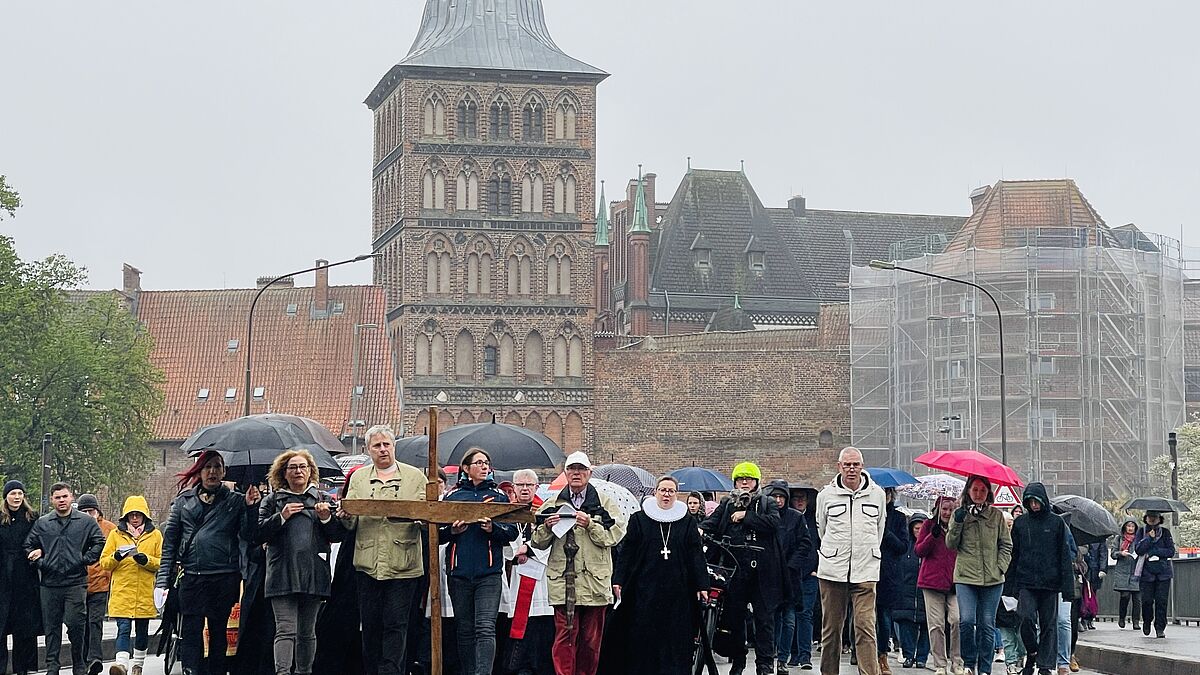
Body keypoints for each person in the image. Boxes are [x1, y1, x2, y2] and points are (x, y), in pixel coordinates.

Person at [155, 450, 262, 675]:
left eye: (217, 467)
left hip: (223, 575)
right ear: (200, 471)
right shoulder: (184, 501)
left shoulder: (234, 501)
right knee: (191, 630)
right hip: (192, 575)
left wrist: (252, 508)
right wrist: (162, 581)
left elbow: (250, 536)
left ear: (224, 472)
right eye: (207, 467)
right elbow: (170, 543)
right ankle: (190, 670)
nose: (212, 471)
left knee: (218, 631)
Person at [336, 425, 428, 675]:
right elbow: (351, 521)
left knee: (396, 625)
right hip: (368, 563)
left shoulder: (415, 477)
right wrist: (344, 516)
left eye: (386, 444)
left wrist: (421, 519)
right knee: (371, 626)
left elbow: (425, 516)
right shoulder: (358, 477)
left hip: (403, 564)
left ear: (394, 446)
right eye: (377, 446)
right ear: (369, 450)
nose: (383, 449)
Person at [529, 451, 627, 675]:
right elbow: (537, 541)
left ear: (589, 473)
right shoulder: (552, 503)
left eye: (581, 469)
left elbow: (614, 536)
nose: (576, 474)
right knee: (564, 637)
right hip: (564, 582)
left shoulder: (605, 503)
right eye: (572, 469)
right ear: (565, 473)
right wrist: (547, 528)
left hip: (595, 582)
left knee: (591, 641)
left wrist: (590, 524)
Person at [608, 476, 708, 675]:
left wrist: (702, 584)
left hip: (677, 590)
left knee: (674, 637)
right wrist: (618, 579)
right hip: (645, 589)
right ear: (655, 492)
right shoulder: (640, 519)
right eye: (663, 490)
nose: (666, 494)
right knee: (644, 635)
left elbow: (696, 554)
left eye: (671, 491)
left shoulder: (686, 521)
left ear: (676, 495)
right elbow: (627, 551)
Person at [258, 449, 345, 675]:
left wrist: (326, 518)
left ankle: (304, 671)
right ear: (283, 473)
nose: (298, 471)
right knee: (285, 629)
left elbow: (337, 535)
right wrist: (282, 517)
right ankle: (283, 672)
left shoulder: (322, 499)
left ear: (310, 472)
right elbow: (258, 534)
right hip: (281, 573)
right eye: (293, 467)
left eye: (303, 467)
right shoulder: (272, 500)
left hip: (313, 572)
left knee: (307, 631)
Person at [700, 462, 787, 675]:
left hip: (762, 570)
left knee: (764, 619)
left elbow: (773, 523)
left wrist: (746, 516)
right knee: (735, 619)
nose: (745, 482)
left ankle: (764, 664)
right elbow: (712, 523)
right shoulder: (727, 503)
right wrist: (698, 530)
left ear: (756, 482)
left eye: (748, 479)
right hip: (735, 569)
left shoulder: (767, 502)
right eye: (741, 479)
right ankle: (738, 662)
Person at [441, 448, 518, 675]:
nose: (485, 467)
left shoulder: (499, 497)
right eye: (479, 463)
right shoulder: (453, 497)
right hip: (459, 571)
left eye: (487, 463)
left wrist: (493, 529)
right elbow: (437, 534)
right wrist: (453, 532)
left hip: (489, 573)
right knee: (464, 629)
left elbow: (511, 532)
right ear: (466, 468)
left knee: (485, 628)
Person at [814, 447, 886, 675]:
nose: (852, 469)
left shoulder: (878, 495)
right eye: (847, 465)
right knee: (831, 630)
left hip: (865, 570)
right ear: (839, 467)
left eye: (856, 464)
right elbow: (821, 530)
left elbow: (879, 530)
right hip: (833, 571)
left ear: (862, 467)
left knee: (866, 627)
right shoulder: (825, 495)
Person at [24, 482, 105, 675]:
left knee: (76, 624)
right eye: (57, 497)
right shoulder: (43, 523)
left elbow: (99, 542)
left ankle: (79, 663)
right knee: (51, 628)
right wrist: (40, 561)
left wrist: (84, 560)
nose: (61, 500)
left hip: (75, 582)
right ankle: (52, 666)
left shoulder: (85, 521)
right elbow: (28, 545)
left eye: (65, 496)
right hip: (50, 583)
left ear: (71, 497)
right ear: (52, 499)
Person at [946, 475, 1011, 675]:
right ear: (968, 491)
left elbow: (1006, 545)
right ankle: (968, 663)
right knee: (965, 621)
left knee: (986, 624)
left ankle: (985, 667)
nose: (978, 494)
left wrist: (1000, 567)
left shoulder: (996, 516)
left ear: (988, 493)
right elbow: (950, 544)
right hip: (966, 577)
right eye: (975, 490)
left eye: (983, 490)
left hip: (992, 579)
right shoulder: (959, 514)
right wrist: (957, 523)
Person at [1006, 482, 1071, 675]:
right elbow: (1014, 555)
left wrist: (1067, 588)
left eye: (1037, 501)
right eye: (1031, 502)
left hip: (1050, 584)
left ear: (1044, 500)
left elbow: (1064, 555)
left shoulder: (1057, 523)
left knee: (1049, 624)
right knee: (1025, 618)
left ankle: (1045, 665)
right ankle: (1032, 652)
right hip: (1026, 581)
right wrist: (1009, 588)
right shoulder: (1020, 523)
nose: (1034, 505)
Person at [100, 496, 162, 675]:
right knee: (124, 628)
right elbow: (104, 562)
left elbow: (162, 562)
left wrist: (146, 560)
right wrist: (116, 557)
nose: (134, 518)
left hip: (144, 592)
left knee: (142, 631)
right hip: (122, 592)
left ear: (145, 516)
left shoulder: (156, 535)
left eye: (138, 514)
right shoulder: (115, 535)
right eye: (131, 515)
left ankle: (138, 665)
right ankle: (121, 665)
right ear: (125, 516)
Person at [502, 468, 553, 675]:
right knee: (518, 627)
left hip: (541, 578)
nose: (524, 489)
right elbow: (503, 542)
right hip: (515, 576)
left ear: (536, 487)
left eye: (528, 485)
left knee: (541, 627)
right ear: (513, 488)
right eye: (520, 485)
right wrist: (515, 552)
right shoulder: (508, 513)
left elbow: (552, 541)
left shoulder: (545, 511)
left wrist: (528, 549)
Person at [765, 480, 811, 675]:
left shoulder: (796, 518)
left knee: (789, 619)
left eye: (781, 497)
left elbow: (805, 544)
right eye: (775, 497)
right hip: (770, 576)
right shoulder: (765, 516)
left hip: (790, 577)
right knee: (770, 620)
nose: (778, 500)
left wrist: (791, 564)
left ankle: (783, 659)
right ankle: (771, 655)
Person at [915, 496, 962, 675]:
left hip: (955, 582)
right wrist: (931, 536)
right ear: (938, 509)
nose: (947, 513)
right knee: (936, 624)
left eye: (951, 510)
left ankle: (956, 661)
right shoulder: (928, 525)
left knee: (957, 620)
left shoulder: (958, 525)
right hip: (932, 581)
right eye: (944, 509)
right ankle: (940, 664)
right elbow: (919, 551)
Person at [0, 480, 42, 675]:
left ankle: (23, 669)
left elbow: (41, 541)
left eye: (19, 493)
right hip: (2, 579)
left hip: (25, 578)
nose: (16, 497)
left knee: (23, 629)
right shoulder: (1, 518)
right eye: (12, 493)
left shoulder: (32, 518)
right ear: (6, 496)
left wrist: (39, 551)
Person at [77, 494, 116, 675]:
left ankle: (95, 659)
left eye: (90, 511)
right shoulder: (75, 527)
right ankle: (83, 660)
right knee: (80, 624)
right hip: (78, 583)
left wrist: (107, 576)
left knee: (95, 622)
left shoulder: (109, 529)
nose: (87, 514)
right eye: (83, 511)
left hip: (100, 583)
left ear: (97, 511)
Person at [875, 487, 910, 675]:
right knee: (863, 616)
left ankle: (882, 655)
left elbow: (903, 546)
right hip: (866, 569)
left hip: (889, 573)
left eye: (887, 493)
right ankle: (861, 651)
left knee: (884, 616)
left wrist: (886, 533)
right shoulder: (868, 512)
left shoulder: (897, 517)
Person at [787, 487, 819, 672]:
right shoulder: (788, 520)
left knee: (805, 614)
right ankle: (793, 654)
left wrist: (817, 568)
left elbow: (821, 544)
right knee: (790, 615)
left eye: (803, 499)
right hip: (791, 574)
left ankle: (805, 655)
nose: (799, 501)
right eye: (796, 498)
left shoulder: (814, 521)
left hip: (809, 575)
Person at [893, 514, 930, 670]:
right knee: (906, 625)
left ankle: (922, 657)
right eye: (916, 528)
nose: (919, 531)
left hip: (926, 592)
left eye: (922, 528)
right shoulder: (905, 546)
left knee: (927, 626)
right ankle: (908, 655)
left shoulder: (929, 545)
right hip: (906, 590)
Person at [1134, 510, 1175, 639]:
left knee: (1161, 601)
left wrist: (1156, 552)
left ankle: (1160, 627)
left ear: (1159, 519)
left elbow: (1170, 551)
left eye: (1155, 517)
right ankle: (1147, 620)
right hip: (1146, 573)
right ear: (1145, 518)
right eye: (1150, 517)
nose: (1152, 519)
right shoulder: (1141, 532)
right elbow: (1138, 549)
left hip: (1163, 572)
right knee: (1146, 601)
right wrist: (1148, 539)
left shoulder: (1165, 533)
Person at [1109, 520, 1140, 630]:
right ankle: (1122, 617)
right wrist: (1120, 553)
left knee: (1137, 598)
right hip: (1122, 571)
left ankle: (1136, 621)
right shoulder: (1119, 538)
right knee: (1125, 596)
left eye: (1132, 526)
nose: (1130, 528)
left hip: (1136, 570)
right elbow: (1113, 553)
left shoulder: (1139, 538)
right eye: (1128, 526)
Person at [1081, 541, 1107, 631]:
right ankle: (1083, 618)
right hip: (1083, 570)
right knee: (1082, 595)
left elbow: (1103, 555)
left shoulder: (1100, 541)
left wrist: (1103, 569)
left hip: (1094, 571)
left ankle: (1089, 618)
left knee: (1092, 596)